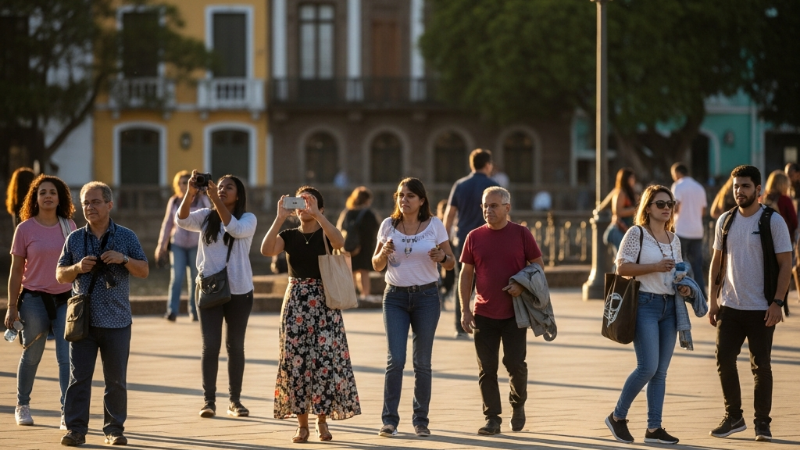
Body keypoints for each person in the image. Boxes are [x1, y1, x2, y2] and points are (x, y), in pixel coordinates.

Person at [261, 186, 361, 443]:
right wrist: (279, 217)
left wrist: (317, 215)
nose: (305, 206)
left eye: (311, 201)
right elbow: (267, 250)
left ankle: (322, 421)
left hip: (324, 303)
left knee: (324, 363)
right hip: (295, 303)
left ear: (321, 207)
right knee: (296, 363)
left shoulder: (325, 233)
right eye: (301, 202)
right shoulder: (289, 235)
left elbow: (340, 243)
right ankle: (302, 425)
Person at [56, 181, 149, 446]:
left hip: (117, 320)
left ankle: (114, 430)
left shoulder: (126, 236)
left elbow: (144, 270)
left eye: (95, 202)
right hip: (82, 322)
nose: (90, 207)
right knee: (78, 379)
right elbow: (60, 275)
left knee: (116, 381)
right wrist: (77, 268)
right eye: (85, 203)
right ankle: (75, 430)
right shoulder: (75, 238)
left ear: (110, 204)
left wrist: (124, 259)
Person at [707, 165, 792, 442]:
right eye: (736, 187)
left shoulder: (773, 221)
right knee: (723, 359)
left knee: (761, 366)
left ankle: (762, 423)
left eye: (745, 186)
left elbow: (785, 264)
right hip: (730, 306)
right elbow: (717, 262)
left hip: (761, 308)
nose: (739, 192)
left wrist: (777, 302)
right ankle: (733, 416)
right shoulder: (725, 221)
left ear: (758, 189)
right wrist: (712, 300)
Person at [604, 185, 691, 445]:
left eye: (670, 204)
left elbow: (676, 271)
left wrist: (683, 284)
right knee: (647, 367)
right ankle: (617, 417)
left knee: (660, 372)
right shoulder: (636, 233)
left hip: (670, 307)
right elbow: (622, 268)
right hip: (645, 304)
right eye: (660, 204)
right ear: (648, 207)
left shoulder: (674, 239)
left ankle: (654, 428)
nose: (666, 208)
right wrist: (654, 266)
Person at [373, 178, 455, 437]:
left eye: (410, 196)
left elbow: (451, 262)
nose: (404, 200)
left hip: (426, 298)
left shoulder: (435, 225)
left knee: (422, 363)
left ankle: (421, 420)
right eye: (400, 195)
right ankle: (389, 421)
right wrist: (383, 254)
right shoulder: (388, 225)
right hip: (394, 298)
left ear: (421, 200)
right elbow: (376, 264)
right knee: (395, 360)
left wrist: (442, 257)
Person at [458, 186, 543, 435]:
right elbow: (466, 274)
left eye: (493, 205)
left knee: (515, 364)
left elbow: (538, 266)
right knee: (487, 369)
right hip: (483, 313)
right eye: (485, 206)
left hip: (515, 313)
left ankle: (518, 404)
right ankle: (492, 419)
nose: (488, 210)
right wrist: (465, 309)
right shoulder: (474, 237)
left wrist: (521, 285)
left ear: (507, 208)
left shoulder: (522, 234)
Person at [176, 172, 256, 420]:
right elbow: (181, 220)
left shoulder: (248, 219)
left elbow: (234, 228)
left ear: (238, 194)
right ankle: (208, 401)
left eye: (228, 187)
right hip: (210, 289)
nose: (221, 190)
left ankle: (235, 401)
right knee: (210, 346)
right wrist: (190, 193)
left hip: (239, 291)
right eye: (219, 186)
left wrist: (215, 200)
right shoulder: (206, 216)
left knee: (236, 346)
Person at [6, 175, 76, 428]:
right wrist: (12, 306)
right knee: (32, 355)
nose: (48, 196)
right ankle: (22, 405)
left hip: (65, 299)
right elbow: (16, 270)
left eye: (52, 192)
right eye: (42, 192)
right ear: (34, 198)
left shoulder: (69, 226)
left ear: (60, 198)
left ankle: (66, 412)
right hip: (34, 300)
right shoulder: (24, 229)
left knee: (66, 358)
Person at [444, 149, 499, 338]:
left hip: (464, 240)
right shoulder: (493, 186)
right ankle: (488, 325)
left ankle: (461, 326)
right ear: (488, 165)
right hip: (489, 240)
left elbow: (450, 214)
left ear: (471, 164)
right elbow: (503, 215)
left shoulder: (460, 185)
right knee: (490, 281)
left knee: (462, 280)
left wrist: (445, 240)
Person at [155, 170, 210, 322]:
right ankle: (172, 311)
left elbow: (211, 215)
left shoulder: (201, 200)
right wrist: (161, 246)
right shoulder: (174, 201)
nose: (185, 185)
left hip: (195, 245)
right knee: (177, 277)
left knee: (195, 278)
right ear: (177, 185)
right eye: (182, 182)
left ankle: (195, 311)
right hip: (177, 244)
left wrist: (203, 194)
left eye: (188, 182)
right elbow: (167, 224)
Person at [336, 186, 380, 301]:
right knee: (364, 271)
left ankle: (351, 295)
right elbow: (375, 228)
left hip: (350, 245)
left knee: (352, 270)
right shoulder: (368, 213)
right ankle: (365, 295)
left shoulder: (347, 212)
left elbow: (340, 227)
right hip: (365, 246)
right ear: (367, 200)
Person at [670, 162, 708, 296]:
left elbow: (676, 208)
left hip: (681, 229)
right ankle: (701, 293)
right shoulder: (699, 187)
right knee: (696, 264)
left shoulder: (678, 186)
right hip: (697, 231)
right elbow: (703, 211)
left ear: (677, 173)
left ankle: (677, 292)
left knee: (678, 263)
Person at [603, 168, 638, 254]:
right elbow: (618, 211)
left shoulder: (630, 192)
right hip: (618, 230)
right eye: (631, 177)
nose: (634, 180)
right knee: (622, 257)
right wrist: (635, 210)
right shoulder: (620, 192)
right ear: (626, 179)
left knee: (625, 257)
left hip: (624, 230)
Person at [761, 170, 797, 240]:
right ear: (784, 185)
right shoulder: (785, 200)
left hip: (766, 238)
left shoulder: (762, 199)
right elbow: (794, 222)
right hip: (783, 237)